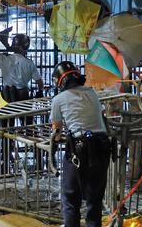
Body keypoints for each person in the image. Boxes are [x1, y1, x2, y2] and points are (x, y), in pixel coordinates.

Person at [51, 61, 110, 227]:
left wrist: (53, 148)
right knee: (95, 198)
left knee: (71, 198)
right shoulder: (91, 92)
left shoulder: (59, 99)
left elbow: (56, 131)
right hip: (103, 147)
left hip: (80, 149)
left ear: (60, 81)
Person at [0, 32, 44, 172]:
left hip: (8, 99)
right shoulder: (29, 63)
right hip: (24, 99)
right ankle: (38, 158)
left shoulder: (5, 60)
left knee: (6, 130)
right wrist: (40, 91)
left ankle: (6, 158)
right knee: (29, 129)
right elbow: (39, 82)